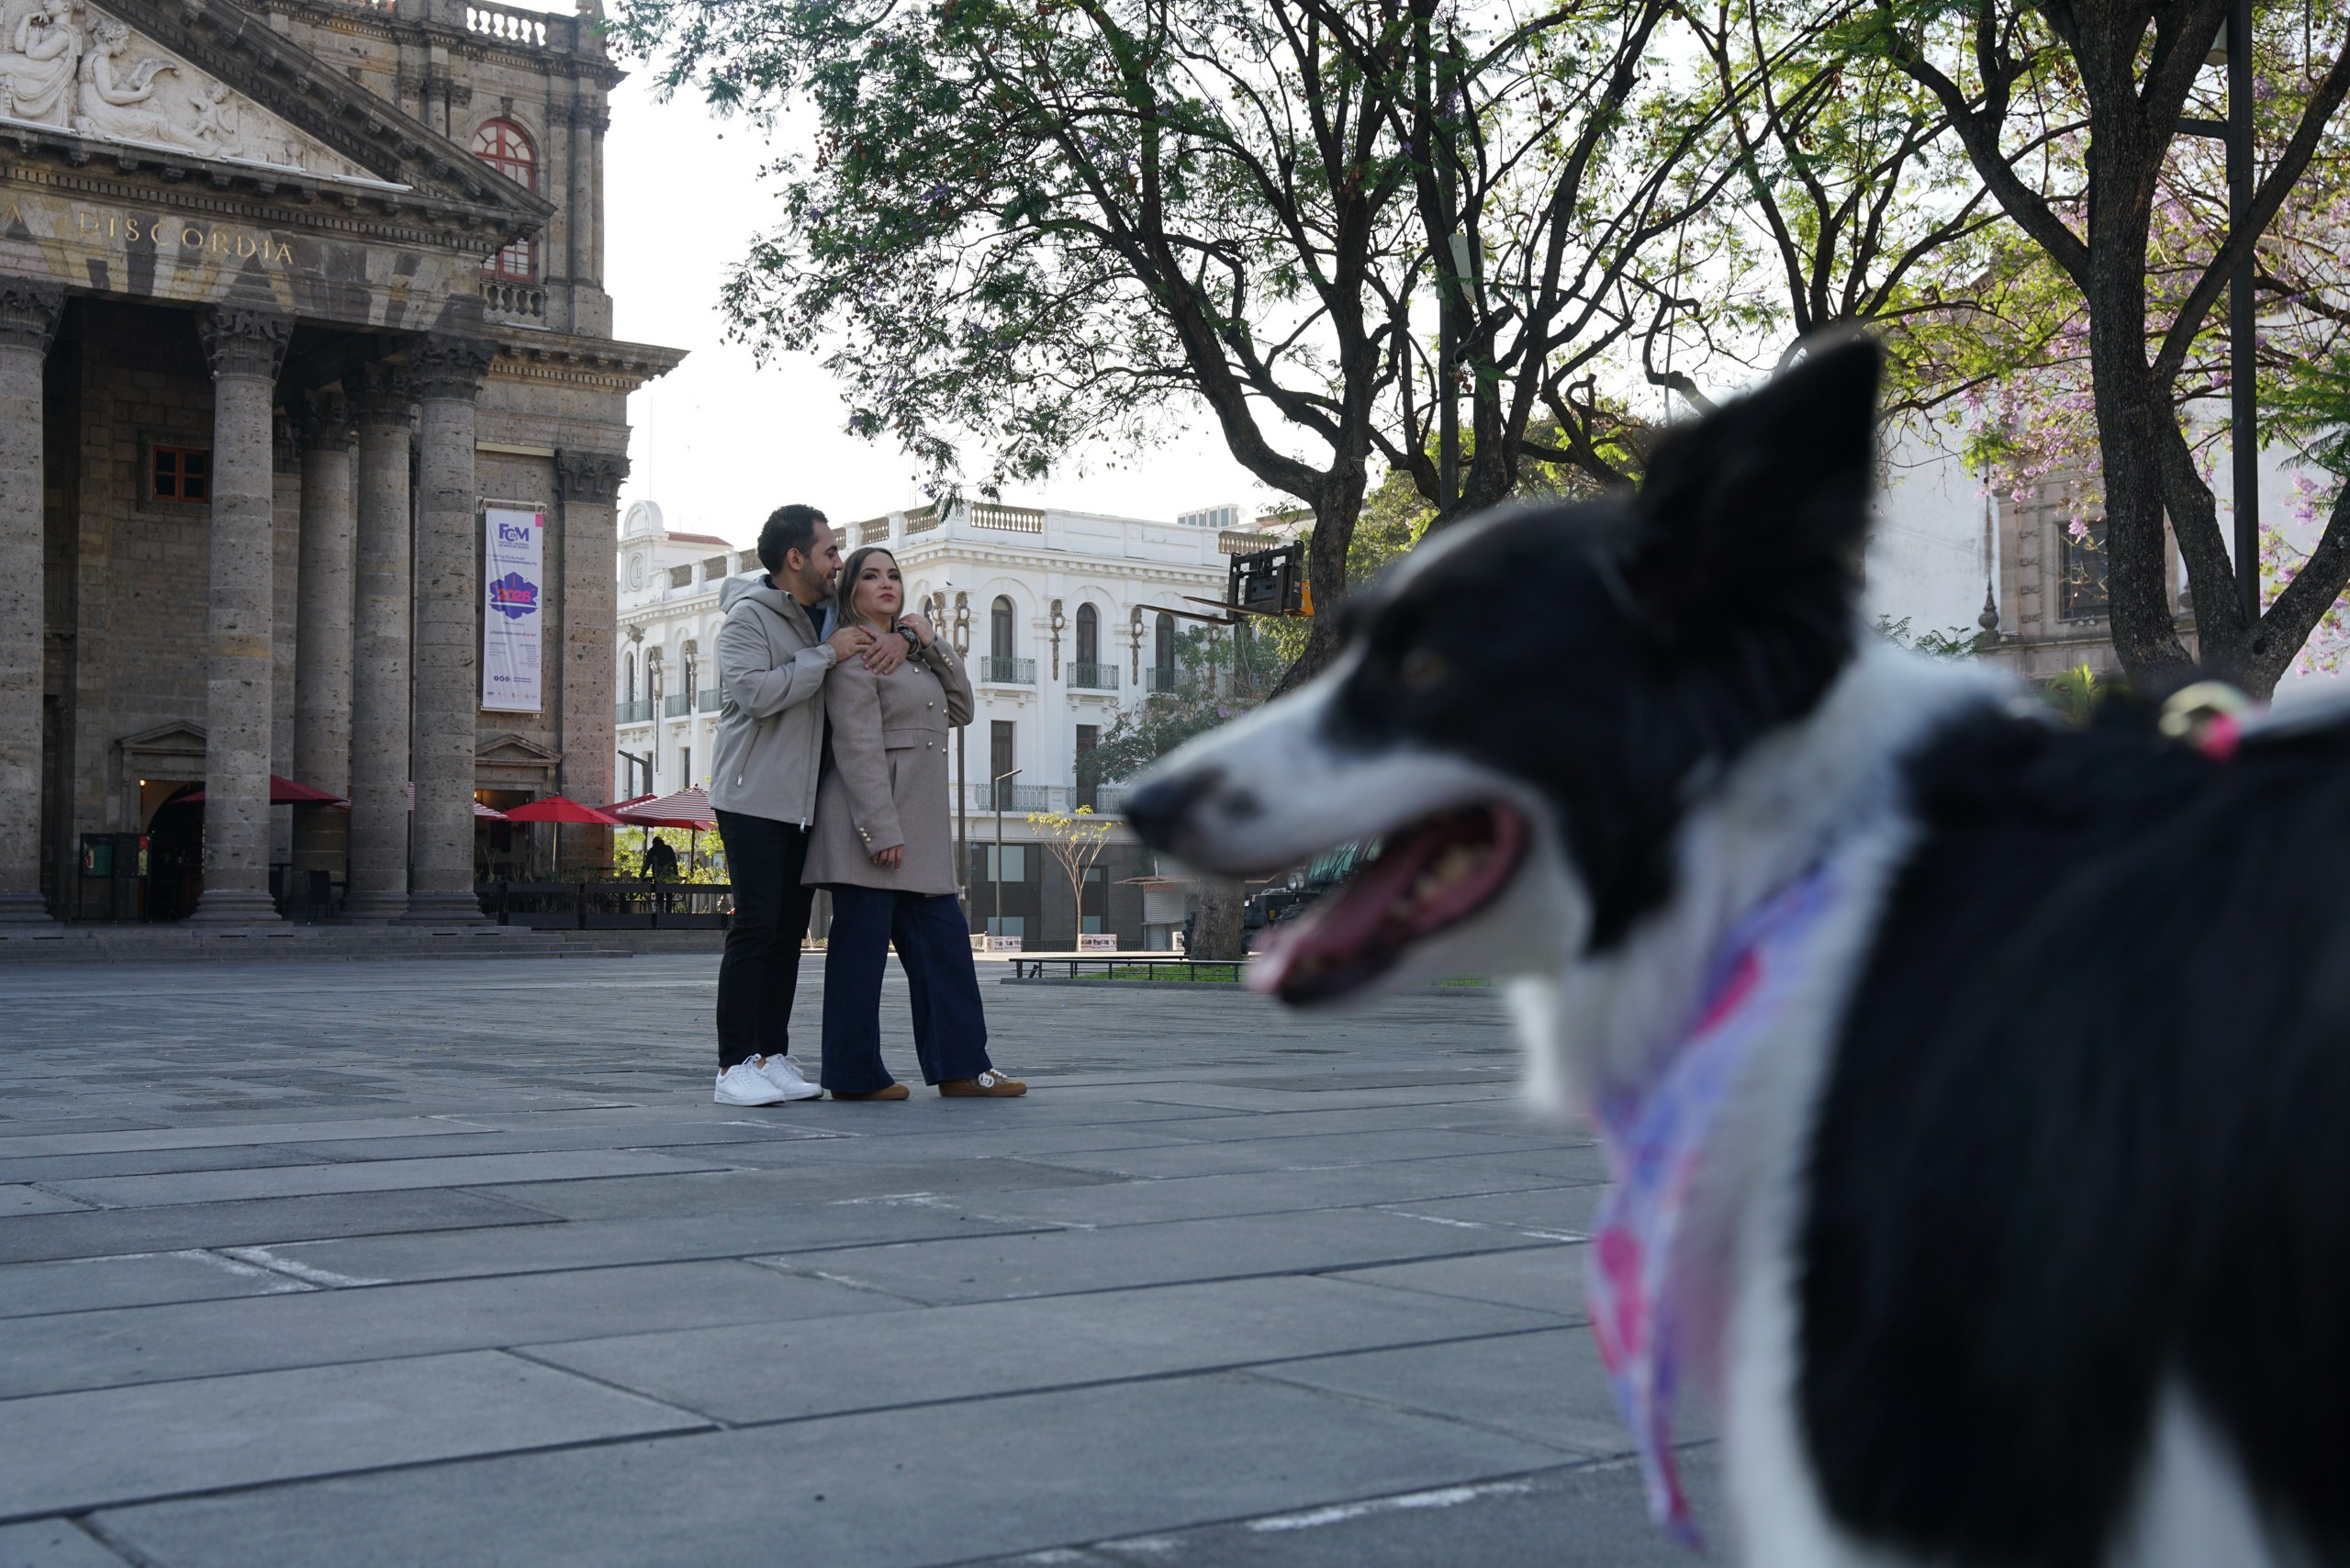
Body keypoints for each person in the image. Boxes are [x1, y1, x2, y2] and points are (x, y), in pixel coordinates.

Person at [804, 547, 1025, 1100]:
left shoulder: (913, 655)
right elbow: (856, 747)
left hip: (921, 830)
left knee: (947, 951)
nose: (886, 584)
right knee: (859, 961)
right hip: (871, 827)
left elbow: (963, 708)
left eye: (894, 576)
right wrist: (880, 831)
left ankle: (962, 1067)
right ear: (849, 591)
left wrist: (928, 639)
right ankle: (854, 1076)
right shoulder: (854, 656)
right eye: (870, 576)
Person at [706, 504, 906, 1107]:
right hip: (752, 797)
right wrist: (827, 655)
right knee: (757, 928)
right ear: (796, 559)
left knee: (790, 932)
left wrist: (912, 628)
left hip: (804, 804)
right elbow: (758, 694)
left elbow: (883, 616)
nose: (839, 564)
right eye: (829, 552)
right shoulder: (746, 620)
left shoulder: (824, 615)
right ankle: (732, 1065)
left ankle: (769, 1056)